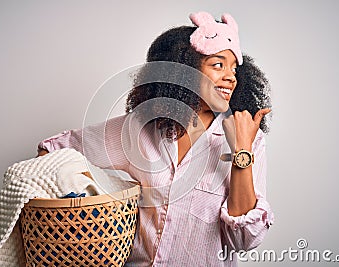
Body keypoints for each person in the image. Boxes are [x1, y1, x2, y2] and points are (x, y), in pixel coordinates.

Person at [38, 11, 273, 267]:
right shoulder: (141, 128)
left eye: (234, 68)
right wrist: (84, 203)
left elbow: (244, 239)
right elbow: (52, 150)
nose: (231, 77)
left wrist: (241, 152)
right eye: (218, 65)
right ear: (185, 71)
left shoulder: (250, 140)